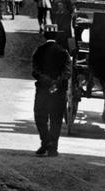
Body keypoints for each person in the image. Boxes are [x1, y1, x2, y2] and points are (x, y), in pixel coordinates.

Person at [32, 25, 72, 157]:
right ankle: (53, 148)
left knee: (40, 116)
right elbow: (67, 72)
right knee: (56, 118)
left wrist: (47, 81)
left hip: (43, 90)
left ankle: (45, 141)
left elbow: (35, 71)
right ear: (56, 36)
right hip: (59, 91)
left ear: (45, 36)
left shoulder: (38, 51)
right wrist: (56, 83)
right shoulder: (64, 52)